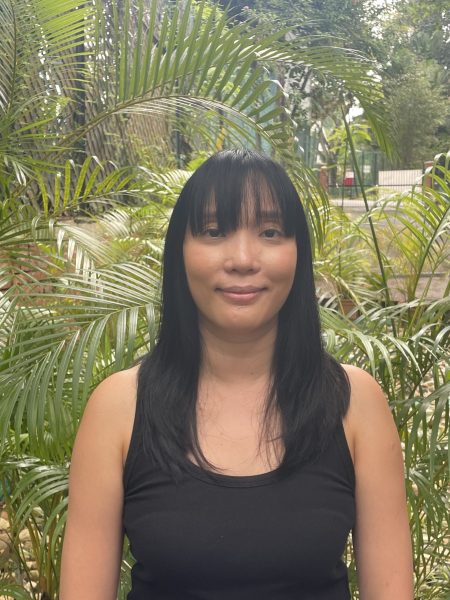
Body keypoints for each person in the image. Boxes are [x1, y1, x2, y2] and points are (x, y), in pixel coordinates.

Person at [60, 149, 413, 599]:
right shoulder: (118, 408)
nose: (243, 258)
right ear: (180, 252)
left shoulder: (356, 403)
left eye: (270, 232)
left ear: (298, 254)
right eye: (214, 231)